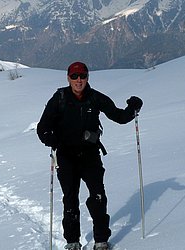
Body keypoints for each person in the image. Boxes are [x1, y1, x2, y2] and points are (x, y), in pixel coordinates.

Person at [37, 62, 142, 250]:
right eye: (75, 76)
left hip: (90, 155)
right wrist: (55, 142)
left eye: (82, 76)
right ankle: (72, 241)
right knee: (70, 198)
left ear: (87, 77)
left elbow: (118, 116)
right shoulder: (59, 98)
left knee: (98, 196)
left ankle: (101, 239)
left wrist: (132, 108)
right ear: (68, 78)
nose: (79, 80)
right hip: (66, 156)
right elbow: (42, 128)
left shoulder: (95, 98)